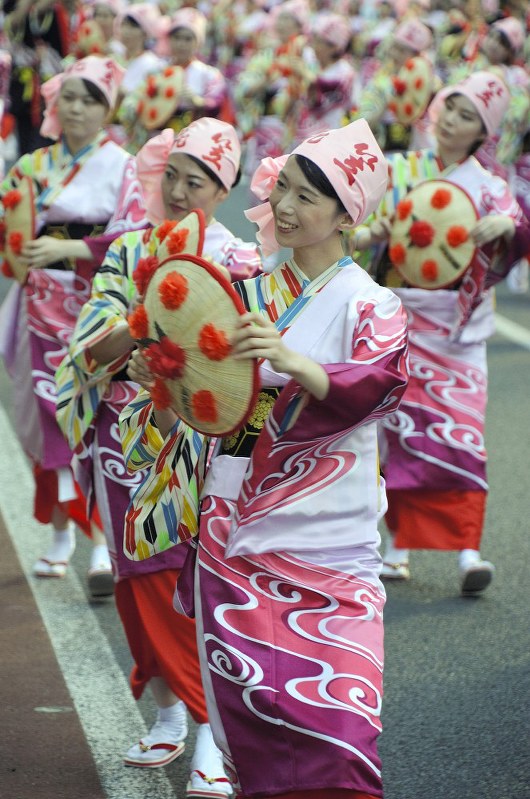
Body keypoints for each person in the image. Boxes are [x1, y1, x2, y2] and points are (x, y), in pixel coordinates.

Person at [123, 118, 409, 798]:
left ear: (346, 215)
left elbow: (380, 383)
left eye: (309, 196)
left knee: (341, 729)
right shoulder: (241, 288)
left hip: (329, 541)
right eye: (282, 187)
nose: (285, 206)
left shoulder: (372, 302)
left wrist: (291, 362)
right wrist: (162, 378)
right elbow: (195, 412)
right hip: (232, 523)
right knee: (249, 716)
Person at [55, 117, 260, 793]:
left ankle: (209, 729)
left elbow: (250, 363)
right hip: (126, 436)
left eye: (194, 180)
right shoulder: (129, 250)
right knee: (140, 573)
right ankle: (170, 709)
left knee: (200, 579)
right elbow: (91, 346)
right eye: (170, 173)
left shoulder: (242, 259)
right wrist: (135, 335)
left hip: (203, 443)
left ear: (221, 189)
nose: (175, 189)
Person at [352, 71, 530, 594]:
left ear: (482, 133)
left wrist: (511, 228)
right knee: (397, 435)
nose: (452, 121)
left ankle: (468, 551)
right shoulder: (400, 169)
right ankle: (398, 546)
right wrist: (371, 234)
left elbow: (520, 227)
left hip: (458, 328)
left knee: (461, 437)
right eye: (450, 108)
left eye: (467, 116)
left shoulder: (490, 187)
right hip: (400, 317)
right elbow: (357, 236)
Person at [0, 55, 146, 596]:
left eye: (91, 100)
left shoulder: (126, 168)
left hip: (100, 310)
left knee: (100, 422)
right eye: (70, 97)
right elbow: (10, 233)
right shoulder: (32, 166)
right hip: (41, 304)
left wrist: (72, 245)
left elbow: (137, 236)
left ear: (109, 110)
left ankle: (106, 546)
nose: (78, 108)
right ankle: (62, 536)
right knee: (50, 417)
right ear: (54, 101)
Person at [119, 7, 227, 154]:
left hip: (191, 145)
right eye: (177, 38)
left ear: (198, 42)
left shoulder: (208, 74)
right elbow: (136, 98)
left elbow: (218, 103)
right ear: (169, 40)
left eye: (188, 39)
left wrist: (198, 102)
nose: (181, 44)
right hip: (153, 141)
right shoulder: (156, 69)